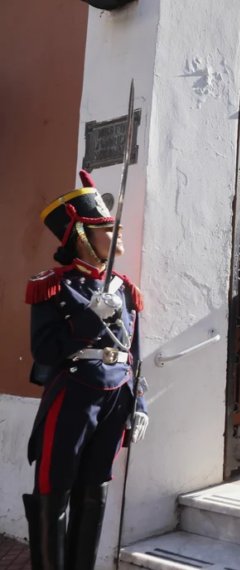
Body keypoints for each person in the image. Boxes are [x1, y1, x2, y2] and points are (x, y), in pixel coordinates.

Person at [23, 170, 148, 570]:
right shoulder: (54, 285)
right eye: (108, 228)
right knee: (55, 486)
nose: (119, 232)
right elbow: (44, 350)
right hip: (74, 395)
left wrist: (139, 403)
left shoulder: (125, 289)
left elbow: (134, 353)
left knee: (95, 489)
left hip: (117, 397)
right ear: (81, 236)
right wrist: (92, 316)